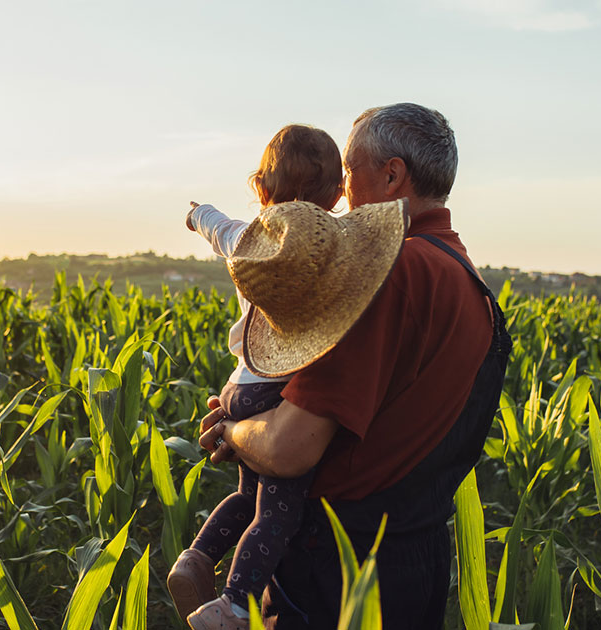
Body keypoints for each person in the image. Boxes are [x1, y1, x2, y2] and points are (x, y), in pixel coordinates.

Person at [197, 103, 512, 629]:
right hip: (415, 561)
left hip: (339, 570)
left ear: (391, 175)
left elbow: (289, 447)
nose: (339, 191)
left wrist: (234, 429)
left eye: (348, 170)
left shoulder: (390, 274)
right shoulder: (465, 278)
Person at [168, 124, 407, 630]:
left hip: (238, 387)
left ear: (260, 189)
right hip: (278, 395)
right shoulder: (331, 251)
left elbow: (216, 225)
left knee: (244, 495)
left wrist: (196, 215)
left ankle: (195, 557)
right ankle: (233, 603)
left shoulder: (246, 243)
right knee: (277, 513)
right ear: (338, 194)